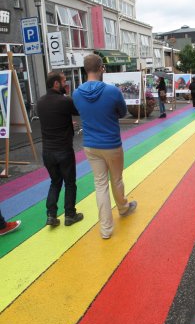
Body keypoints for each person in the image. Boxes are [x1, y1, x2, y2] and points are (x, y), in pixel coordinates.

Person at [73, 54, 137, 239]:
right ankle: (123, 208)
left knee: (100, 185)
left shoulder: (76, 94)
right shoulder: (112, 91)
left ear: (85, 70)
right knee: (116, 179)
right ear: (102, 68)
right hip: (111, 144)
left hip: (90, 146)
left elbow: (81, 112)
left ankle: (106, 230)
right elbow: (123, 112)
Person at [37, 72, 83, 227]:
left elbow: (52, 119)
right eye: (64, 81)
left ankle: (51, 215)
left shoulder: (40, 102)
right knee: (70, 183)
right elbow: (79, 111)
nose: (66, 84)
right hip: (64, 150)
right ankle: (70, 215)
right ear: (56, 84)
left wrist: (68, 124)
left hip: (47, 151)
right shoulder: (65, 101)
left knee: (55, 182)